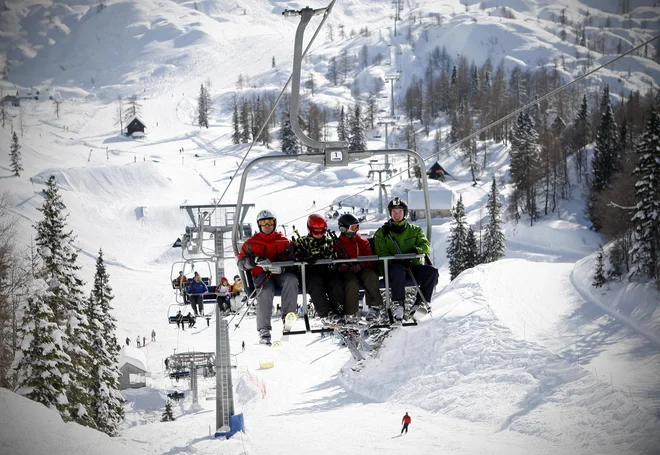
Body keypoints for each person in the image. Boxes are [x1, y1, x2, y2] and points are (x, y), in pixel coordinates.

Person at [373, 198, 439, 325]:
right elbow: (381, 253)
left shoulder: (414, 230)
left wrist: (414, 253)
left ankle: (419, 304)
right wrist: (397, 260)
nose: (397, 215)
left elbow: (425, 246)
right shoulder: (383, 233)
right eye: (394, 212)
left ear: (405, 213)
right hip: (392, 269)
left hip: (411, 266)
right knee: (398, 269)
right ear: (390, 214)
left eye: (400, 212)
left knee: (432, 273)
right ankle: (399, 305)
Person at [237, 209, 299, 345]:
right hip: (262, 275)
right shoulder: (251, 243)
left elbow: (293, 260)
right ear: (259, 225)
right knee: (265, 290)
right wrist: (254, 261)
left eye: (270, 222)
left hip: (280, 274)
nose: (267, 225)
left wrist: (284, 267)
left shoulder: (284, 241)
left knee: (291, 280)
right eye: (263, 223)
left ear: (274, 223)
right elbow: (241, 263)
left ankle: (288, 317)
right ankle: (264, 328)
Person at [332, 213, 383, 323]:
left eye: (357, 227)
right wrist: (342, 266)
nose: (355, 230)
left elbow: (370, 258)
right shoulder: (337, 244)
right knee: (351, 282)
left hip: (362, 269)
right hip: (348, 272)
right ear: (343, 228)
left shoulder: (362, 241)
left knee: (371, 275)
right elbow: (334, 261)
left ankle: (374, 308)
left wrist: (360, 265)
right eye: (352, 227)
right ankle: (351, 313)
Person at [293, 214, 344, 324]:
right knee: (315, 283)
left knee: (335, 282)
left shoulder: (329, 243)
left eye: (322, 231)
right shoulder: (302, 243)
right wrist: (305, 259)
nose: (319, 234)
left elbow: (334, 259)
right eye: (316, 232)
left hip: (326, 272)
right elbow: (296, 262)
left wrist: (327, 262)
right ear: (310, 229)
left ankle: (340, 309)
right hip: (310, 274)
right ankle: (326, 313)